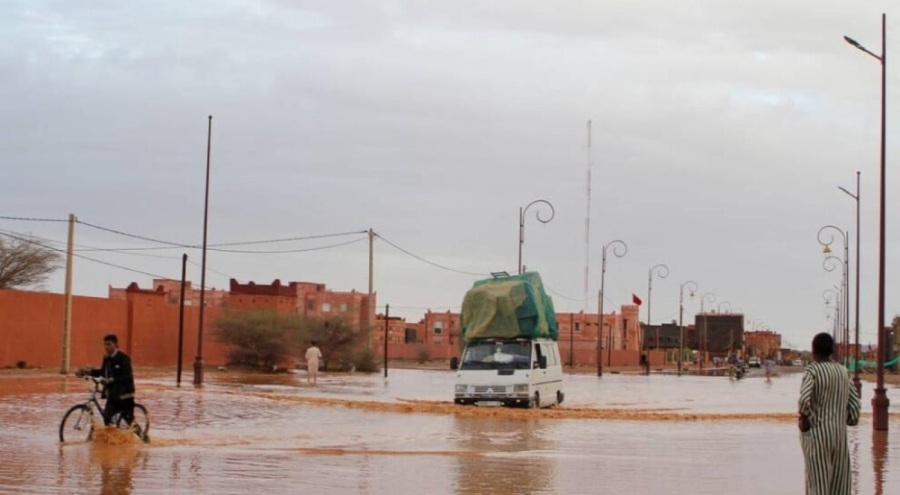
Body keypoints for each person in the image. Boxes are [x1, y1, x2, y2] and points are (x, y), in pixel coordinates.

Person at [798, 332, 860, 495]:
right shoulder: (844, 372)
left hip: (817, 437)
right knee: (840, 486)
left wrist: (803, 420)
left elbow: (804, 400)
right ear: (831, 350)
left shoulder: (813, 370)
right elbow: (855, 408)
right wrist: (845, 419)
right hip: (839, 438)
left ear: (814, 351)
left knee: (817, 485)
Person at [76, 334, 136, 428]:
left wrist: (111, 379)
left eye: (109, 344)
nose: (106, 347)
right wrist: (87, 372)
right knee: (107, 418)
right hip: (113, 393)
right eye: (105, 344)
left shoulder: (124, 358)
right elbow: (102, 372)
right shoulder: (106, 357)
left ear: (116, 345)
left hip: (125, 394)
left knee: (129, 422)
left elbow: (127, 376)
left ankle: (144, 438)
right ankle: (114, 440)